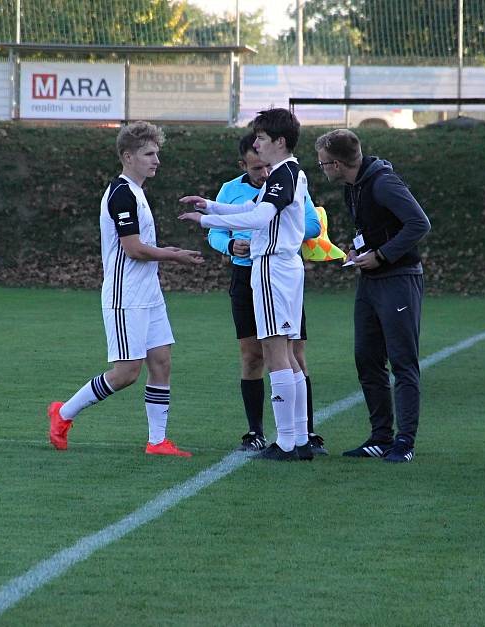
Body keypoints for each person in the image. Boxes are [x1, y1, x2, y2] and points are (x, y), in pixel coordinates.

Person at [47, 121, 204, 456]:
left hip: (149, 294)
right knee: (126, 373)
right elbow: (133, 248)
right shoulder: (121, 193)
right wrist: (173, 255)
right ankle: (62, 414)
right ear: (128, 156)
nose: (156, 160)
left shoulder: (137, 192)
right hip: (125, 297)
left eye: (157, 153)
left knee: (161, 362)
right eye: (149, 153)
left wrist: (167, 255)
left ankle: (157, 441)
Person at [179, 108, 311, 461]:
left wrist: (205, 220)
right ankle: (299, 439)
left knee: (276, 354)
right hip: (284, 267)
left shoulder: (283, 174)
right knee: (287, 355)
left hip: (271, 267)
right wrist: (208, 205)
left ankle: (286, 443)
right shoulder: (285, 174)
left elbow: (258, 217)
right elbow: (251, 206)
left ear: (279, 142)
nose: (256, 144)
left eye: (262, 138)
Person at [314, 128, 431, 463]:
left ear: (337, 164)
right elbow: (377, 226)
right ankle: (380, 436)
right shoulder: (355, 186)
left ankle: (404, 442)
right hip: (370, 282)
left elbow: (419, 224)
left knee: (402, 360)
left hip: (398, 279)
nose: (322, 169)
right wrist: (359, 249)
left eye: (323, 163)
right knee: (367, 357)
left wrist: (382, 255)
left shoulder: (383, 183)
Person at [207, 133, 327, 454]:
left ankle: (296, 437)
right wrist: (231, 243)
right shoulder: (234, 190)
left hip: (275, 269)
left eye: (263, 163)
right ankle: (260, 432)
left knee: (289, 353)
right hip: (247, 273)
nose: (261, 171)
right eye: (254, 166)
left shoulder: (285, 178)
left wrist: (266, 227)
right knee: (254, 354)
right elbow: (219, 234)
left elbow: (310, 224)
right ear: (243, 164)